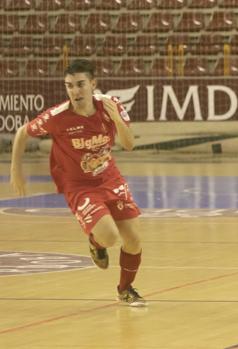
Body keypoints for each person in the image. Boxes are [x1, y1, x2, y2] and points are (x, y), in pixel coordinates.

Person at [9, 59, 146, 307]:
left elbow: (129, 144)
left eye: (81, 84)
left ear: (93, 84)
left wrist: (116, 119)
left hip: (109, 177)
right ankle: (96, 243)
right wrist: (15, 168)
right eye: (69, 86)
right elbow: (22, 133)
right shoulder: (58, 116)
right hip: (79, 185)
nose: (75, 91)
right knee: (109, 237)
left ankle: (125, 289)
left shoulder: (110, 105)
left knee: (134, 240)